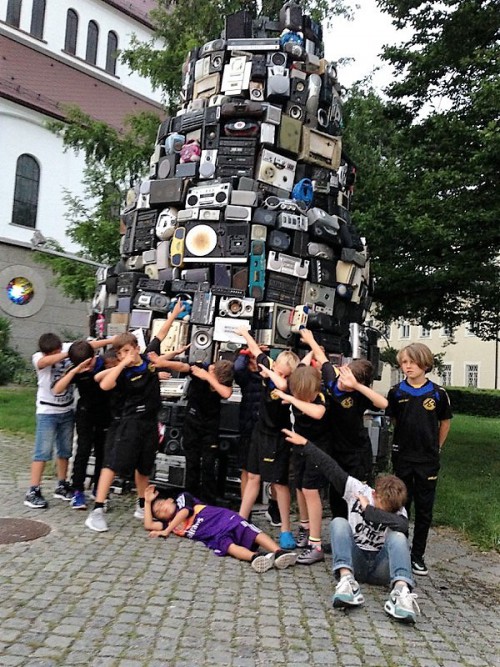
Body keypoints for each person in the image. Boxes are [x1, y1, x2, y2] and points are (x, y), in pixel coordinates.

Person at [283, 429, 420, 624]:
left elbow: (402, 525)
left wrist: (369, 511)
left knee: (399, 537)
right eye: (381, 507)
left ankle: (400, 592)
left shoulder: (398, 511)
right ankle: (347, 582)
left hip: (381, 567)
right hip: (356, 560)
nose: (387, 512)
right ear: (374, 495)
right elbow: (330, 467)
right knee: (338, 522)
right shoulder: (357, 489)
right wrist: (305, 444)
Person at [85, 300, 184, 532]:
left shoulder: (149, 360)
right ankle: (97, 509)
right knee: (113, 464)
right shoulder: (122, 372)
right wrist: (121, 366)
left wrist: (174, 314)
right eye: (120, 354)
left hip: (150, 423)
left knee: (144, 467)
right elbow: (104, 385)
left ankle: (142, 505)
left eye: (128, 351)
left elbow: (161, 334)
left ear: (137, 348)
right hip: (129, 424)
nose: (125, 355)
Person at [299, 329, 388, 519]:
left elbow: (383, 404)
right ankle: (339, 529)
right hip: (335, 449)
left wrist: (356, 386)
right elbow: (322, 359)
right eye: (342, 377)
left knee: (357, 494)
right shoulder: (332, 382)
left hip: (356, 452)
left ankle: (360, 529)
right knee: (337, 493)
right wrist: (310, 340)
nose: (342, 383)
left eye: (348, 382)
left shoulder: (359, 395)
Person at [24, 333, 111, 510]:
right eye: (55, 352)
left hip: (67, 409)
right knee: (43, 451)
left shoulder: (69, 349)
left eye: (60, 350)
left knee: (65, 451)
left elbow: (90, 344)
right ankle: (33, 489)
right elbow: (47, 369)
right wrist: (72, 357)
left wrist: (111, 341)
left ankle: (62, 484)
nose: (58, 353)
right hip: (47, 410)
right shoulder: (38, 358)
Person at [387, 343, 452, 577]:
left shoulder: (438, 393)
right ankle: (399, 551)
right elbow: (395, 420)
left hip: (427, 461)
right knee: (402, 506)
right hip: (403, 458)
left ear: (425, 363)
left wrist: (437, 447)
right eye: (404, 362)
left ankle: (417, 556)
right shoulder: (396, 392)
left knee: (424, 510)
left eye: (412, 362)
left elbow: (445, 422)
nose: (407, 366)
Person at [235, 327, 300, 550]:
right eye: (279, 370)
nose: (280, 375)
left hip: (277, 436)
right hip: (259, 432)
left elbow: (281, 386)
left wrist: (272, 373)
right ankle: (241, 523)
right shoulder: (271, 367)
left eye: (285, 373)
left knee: (279, 484)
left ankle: (285, 531)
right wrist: (245, 334)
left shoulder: (288, 383)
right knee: (253, 476)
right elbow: (255, 349)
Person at [143, 485, 298, 573]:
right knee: (229, 547)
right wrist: (148, 503)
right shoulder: (170, 523)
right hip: (212, 536)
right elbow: (149, 525)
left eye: (161, 504)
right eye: (157, 512)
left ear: (171, 500)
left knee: (251, 532)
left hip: (222, 519)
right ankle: (256, 558)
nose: (161, 510)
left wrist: (166, 531)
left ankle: (278, 552)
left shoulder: (183, 499)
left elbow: (184, 512)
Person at [152, 357, 234, 504]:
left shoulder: (220, 377)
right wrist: (164, 363)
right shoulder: (200, 366)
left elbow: (226, 393)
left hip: (210, 425)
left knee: (209, 464)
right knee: (192, 463)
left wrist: (209, 378)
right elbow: (182, 366)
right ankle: (190, 499)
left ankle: (209, 501)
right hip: (193, 422)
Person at [274, 358, 330, 564]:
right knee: (298, 487)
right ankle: (305, 528)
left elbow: (317, 412)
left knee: (310, 490)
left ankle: (316, 544)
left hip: (318, 450)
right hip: (298, 447)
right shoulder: (295, 386)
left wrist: (293, 400)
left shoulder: (322, 396)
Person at [51, 340, 118, 509]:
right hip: (85, 413)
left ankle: (99, 489)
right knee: (83, 451)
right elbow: (57, 389)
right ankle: (77, 491)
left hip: (105, 413)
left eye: (90, 363)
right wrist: (75, 370)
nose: (88, 367)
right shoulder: (75, 369)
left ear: (94, 356)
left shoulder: (105, 363)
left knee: (103, 453)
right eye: (83, 365)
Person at [233, 346, 280, 526]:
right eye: (250, 359)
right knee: (247, 469)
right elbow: (237, 368)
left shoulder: (268, 377)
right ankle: (247, 511)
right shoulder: (244, 376)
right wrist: (245, 352)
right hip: (248, 427)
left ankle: (274, 508)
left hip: (269, 427)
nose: (254, 361)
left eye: (256, 358)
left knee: (274, 471)